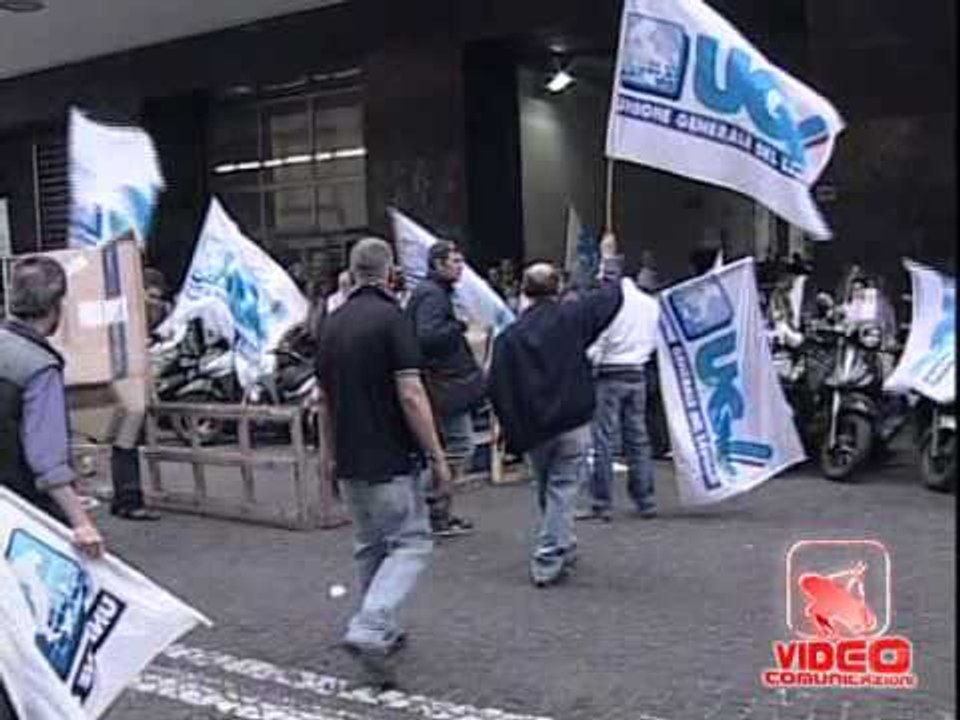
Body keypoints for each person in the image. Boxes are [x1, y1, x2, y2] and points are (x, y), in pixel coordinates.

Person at [315, 237, 449, 687]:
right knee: (411, 542)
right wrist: (437, 455)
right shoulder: (393, 319)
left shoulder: (331, 323)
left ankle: (384, 629)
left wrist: (329, 457)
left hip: (350, 456)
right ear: (390, 272)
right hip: (390, 455)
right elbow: (411, 394)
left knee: (371, 545)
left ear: (352, 273)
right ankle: (372, 624)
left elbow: (325, 402)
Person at [488, 233, 623, 587]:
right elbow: (611, 297)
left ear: (524, 291)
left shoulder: (508, 338)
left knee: (548, 488)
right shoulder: (573, 318)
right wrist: (609, 260)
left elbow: (499, 388)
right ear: (558, 288)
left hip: (535, 427)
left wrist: (509, 432)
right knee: (562, 488)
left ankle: (562, 543)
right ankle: (549, 556)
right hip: (573, 419)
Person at [405, 241, 484, 537]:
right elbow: (428, 336)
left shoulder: (433, 293)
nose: (460, 266)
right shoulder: (433, 296)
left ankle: (437, 514)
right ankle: (425, 506)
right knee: (459, 446)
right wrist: (459, 327)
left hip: (444, 381)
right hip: (444, 383)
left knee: (450, 447)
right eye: (454, 261)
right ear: (437, 264)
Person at [579, 275, 661, 522]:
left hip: (608, 375)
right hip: (637, 373)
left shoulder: (612, 307)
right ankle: (645, 500)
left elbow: (597, 346)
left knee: (603, 440)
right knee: (638, 438)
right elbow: (654, 342)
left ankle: (601, 503)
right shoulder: (651, 305)